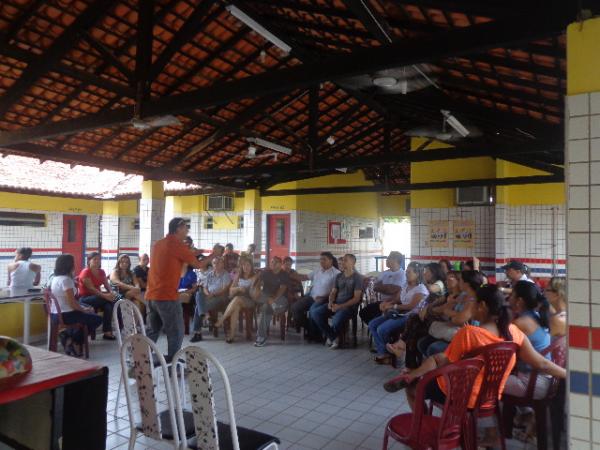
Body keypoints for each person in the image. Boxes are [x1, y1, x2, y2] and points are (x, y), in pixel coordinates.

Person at [385, 285, 566, 422]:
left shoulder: (470, 333)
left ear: (483, 306)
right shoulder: (514, 332)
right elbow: (542, 363)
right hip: (491, 397)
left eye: (473, 305)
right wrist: (569, 375)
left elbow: (442, 361)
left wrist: (416, 374)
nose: (471, 309)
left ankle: (423, 425)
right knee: (434, 361)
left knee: (414, 388)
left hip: (462, 394)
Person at [145, 218, 212, 362]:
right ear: (178, 228)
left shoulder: (159, 244)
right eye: (185, 227)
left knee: (153, 330)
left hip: (151, 295)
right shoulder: (177, 246)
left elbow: (179, 256)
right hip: (167, 297)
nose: (187, 230)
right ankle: (173, 363)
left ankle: (141, 360)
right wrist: (215, 255)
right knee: (176, 331)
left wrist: (195, 251)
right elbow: (199, 264)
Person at [369, 261, 428, 364]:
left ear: (417, 274)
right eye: (406, 272)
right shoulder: (406, 285)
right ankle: (384, 352)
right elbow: (397, 299)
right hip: (399, 313)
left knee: (382, 329)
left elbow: (411, 306)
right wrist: (386, 303)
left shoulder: (420, 288)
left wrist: (393, 306)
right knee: (372, 324)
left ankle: (389, 353)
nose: (406, 274)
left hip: (410, 317)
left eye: (409, 272)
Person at [417, 270, 484, 358]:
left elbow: (457, 319)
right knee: (422, 343)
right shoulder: (463, 295)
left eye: (460, 280)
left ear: (466, 284)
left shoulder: (474, 301)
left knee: (433, 348)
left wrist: (451, 313)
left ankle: (441, 368)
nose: (458, 283)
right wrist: (455, 314)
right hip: (454, 331)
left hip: (466, 337)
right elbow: (447, 310)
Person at [503, 281, 552, 399]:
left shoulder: (520, 323)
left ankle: (491, 417)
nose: (509, 298)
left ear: (519, 301)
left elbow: (504, 351)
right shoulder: (536, 315)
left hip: (532, 383)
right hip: (545, 379)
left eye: (512, 295)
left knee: (487, 380)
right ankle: (523, 411)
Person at [50, 254, 102, 357]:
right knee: (97, 319)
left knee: (88, 315)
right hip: (66, 315)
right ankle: (74, 340)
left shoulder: (55, 278)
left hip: (55, 314)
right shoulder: (66, 280)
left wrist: (82, 308)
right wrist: (83, 310)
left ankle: (68, 336)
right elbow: (72, 303)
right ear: (69, 265)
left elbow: (69, 301)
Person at [309, 254, 363, 349]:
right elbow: (333, 292)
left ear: (353, 263)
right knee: (315, 313)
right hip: (336, 304)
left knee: (336, 320)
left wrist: (340, 306)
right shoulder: (339, 276)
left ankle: (332, 338)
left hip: (349, 307)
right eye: (342, 260)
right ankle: (333, 337)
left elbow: (356, 298)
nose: (342, 262)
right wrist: (330, 302)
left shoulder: (357, 277)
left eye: (345, 260)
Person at [289, 252, 340, 338]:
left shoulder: (336, 273)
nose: (321, 261)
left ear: (331, 261)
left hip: (324, 299)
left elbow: (336, 291)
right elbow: (304, 277)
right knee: (295, 308)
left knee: (313, 312)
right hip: (312, 297)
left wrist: (323, 297)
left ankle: (316, 335)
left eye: (324, 259)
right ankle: (312, 330)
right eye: (320, 259)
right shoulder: (318, 270)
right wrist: (289, 273)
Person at [190, 256, 231, 343]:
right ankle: (204, 314)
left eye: (218, 263)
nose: (215, 265)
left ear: (222, 264)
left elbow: (224, 289)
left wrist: (213, 294)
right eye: (214, 263)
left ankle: (198, 332)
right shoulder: (210, 274)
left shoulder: (225, 274)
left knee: (198, 307)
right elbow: (205, 287)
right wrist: (208, 294)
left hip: (220, 298)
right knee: (198, 293)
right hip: (209, 296)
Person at [216, 256, 257, 343]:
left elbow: (253, 293)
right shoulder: (238, 275)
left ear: (251, 266)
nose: (246, 267)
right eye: (244, 265)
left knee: (237, 299)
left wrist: (246, 289)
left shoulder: (254, 276)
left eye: (248, 265)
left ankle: (222, 319)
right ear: (241, 266)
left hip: (249, 300)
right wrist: (238, 289)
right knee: (236, 307)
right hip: (238, 299)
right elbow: (231, 290)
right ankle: (231, 335)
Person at [78, 252, 118, 340]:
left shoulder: (101, 271)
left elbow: (107, 285)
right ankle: (119, 326)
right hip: (85, 299)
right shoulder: (86, 272)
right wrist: (107, 296)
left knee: (108, 306)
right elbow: (92, 289)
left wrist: (111, 293)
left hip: (99, 298)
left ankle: (107, 332)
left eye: (99, 259)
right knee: (113, 301)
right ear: (89, 261)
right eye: (95, 259)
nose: (97, 261)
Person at [359, 251, 406, 325]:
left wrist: (383, 287)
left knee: (385, 314)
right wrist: (387, 287)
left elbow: (393, 290)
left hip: (395, 302)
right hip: (382, 302)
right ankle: (376, 327)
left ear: (395, 260)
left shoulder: (402, 274)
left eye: (388, 258)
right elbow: (375, 287)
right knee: (363, 312)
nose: (386, 260)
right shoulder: (384, 273)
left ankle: (379, 327)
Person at [253, 256, 290, 347]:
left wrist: (273, 299)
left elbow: (282, 289)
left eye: (275, 262)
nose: (272, 263)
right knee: (262, 300)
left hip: (280, 299)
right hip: (266, 297)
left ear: (280, 264)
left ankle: (261, 336)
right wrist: (258, 289)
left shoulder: (284, 274)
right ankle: (262, 336)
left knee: (266, 307)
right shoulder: (266, 273)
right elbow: (258, 284)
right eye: (272, 261)